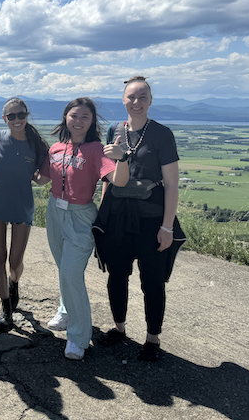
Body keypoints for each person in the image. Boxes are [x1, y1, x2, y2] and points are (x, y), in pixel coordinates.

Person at [94, 76, 186, 362]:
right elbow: (108, 177)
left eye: (142, 97)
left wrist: (167, 226)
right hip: (118, 217)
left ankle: (152, 338)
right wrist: (102, 214)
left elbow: (171, 184)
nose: (136, 102)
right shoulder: (113, 130)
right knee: (116, 276)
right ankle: (119, 328)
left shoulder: (161, 134)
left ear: (150, 100)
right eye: (131, 97)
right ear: (123, 99)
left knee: (153, 281)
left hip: (151, 219)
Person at [43, 98, 129, 360]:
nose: (78, 121)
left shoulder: (95, 149)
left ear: (92, 122)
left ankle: (79, 337)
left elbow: (119, 180)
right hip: (54, 211)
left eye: (85, 117)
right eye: (74, 116)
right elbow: (43, 177)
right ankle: (67, 310)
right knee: (62, 266)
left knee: (71, 273)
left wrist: (123, 158)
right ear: (65, 118)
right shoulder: (56, 147)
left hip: (80, 215)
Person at [0, 97, 49, 332]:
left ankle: (14, 284)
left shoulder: (36, 144)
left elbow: (43, 179)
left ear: (27, 115)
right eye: (11, 116)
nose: (16, 120)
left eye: (20, 115)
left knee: (15, 262)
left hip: (23, 205)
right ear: (4, 119)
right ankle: (6, 309)